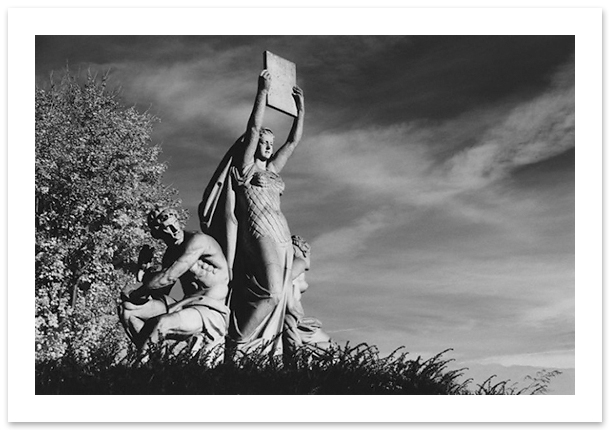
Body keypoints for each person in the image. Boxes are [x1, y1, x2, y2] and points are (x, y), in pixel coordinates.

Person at [199, 69, 305, 356]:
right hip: (258, 229)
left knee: (281, 297)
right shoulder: (245, 170)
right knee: (270, 293)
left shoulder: (272, 172)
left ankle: (264, 350)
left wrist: (300, 112)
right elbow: (255, 128)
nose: (269, 148)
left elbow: (293, 143)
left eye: (271, 145)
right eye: (263, 144)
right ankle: (238, 342)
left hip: (282, 232)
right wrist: (263, 92)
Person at [118, 206, 230, 355]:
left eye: (174, 224)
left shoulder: (198, 241)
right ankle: (155, 358)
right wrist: (143, 271)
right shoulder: (170, 255)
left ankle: (142, 367)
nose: (174, 230)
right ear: (157, 234)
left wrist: (138, 292)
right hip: (185, 305)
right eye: (166, 228)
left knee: (161, 323)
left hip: (209, 309)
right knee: (128, 310)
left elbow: (168, 277)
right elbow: (159, 292)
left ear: (178, 221)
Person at [283, 235, 333, 358]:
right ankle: (302, 353)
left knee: (331, 347)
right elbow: (284, 283)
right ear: (304, 251)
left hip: (295, 316)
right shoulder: (299, 262)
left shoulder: (293, 265)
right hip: (293, 316)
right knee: (332, 349)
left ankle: (302, 353)